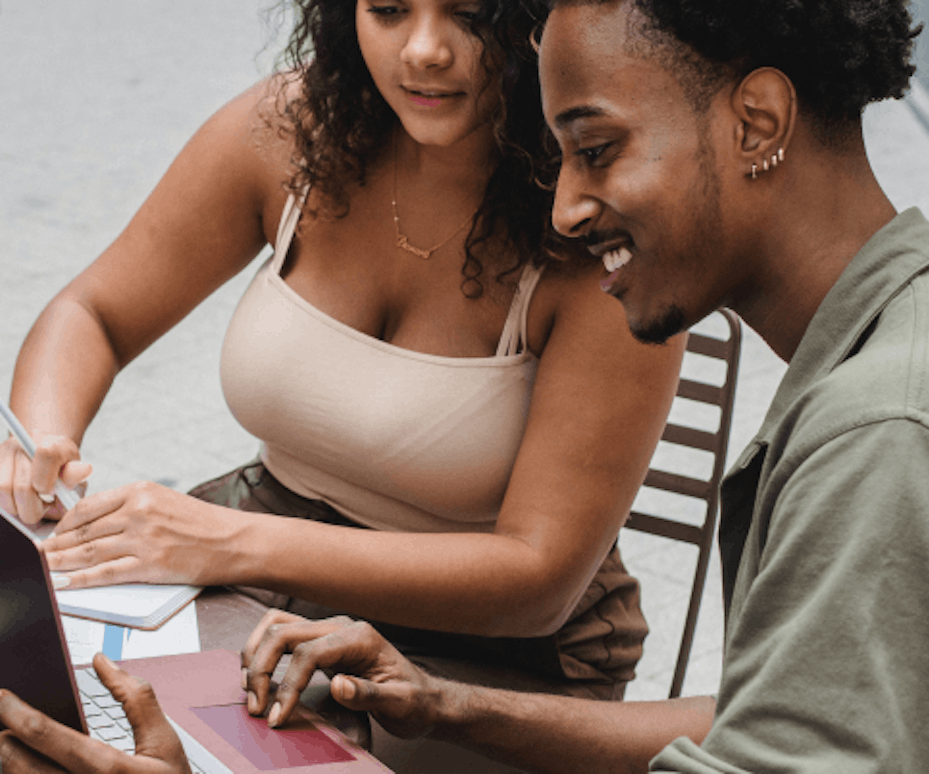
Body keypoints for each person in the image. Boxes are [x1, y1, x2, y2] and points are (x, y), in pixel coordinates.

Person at [2, 0, 929, 771]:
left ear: (758, 123)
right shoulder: (916, 355)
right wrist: (444, 705)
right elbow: (773, 716)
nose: (571, 207)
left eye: (596, 150)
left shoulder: (894, 439)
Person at [0, 0, 685, 715]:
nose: (423, 49)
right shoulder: (296, 132)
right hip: (258, 585)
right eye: (388, 9)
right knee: (41, 694)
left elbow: (537, 580)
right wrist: (42, 443)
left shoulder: (599, 228)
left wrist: (229, 542)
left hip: (490, 653)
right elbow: (93, 313)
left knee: (202, 746)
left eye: (470, 14)